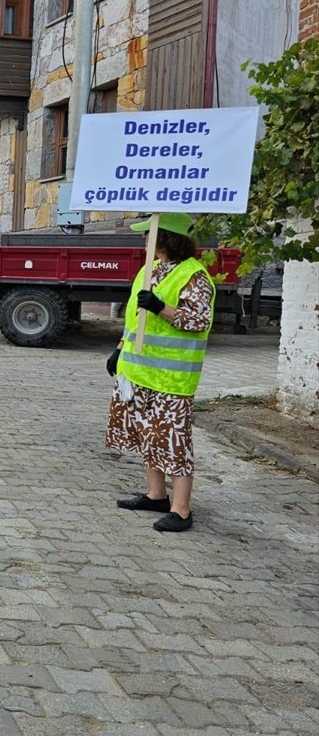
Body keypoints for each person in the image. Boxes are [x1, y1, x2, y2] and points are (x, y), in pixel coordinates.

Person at [106, 212, 215, 533]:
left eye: (149, 234)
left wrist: (160, 307)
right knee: (145, 434)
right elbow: (134, 318)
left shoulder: (193, 275)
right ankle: (156, 495)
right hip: (138, 372)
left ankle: (181, 510)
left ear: (167, 237)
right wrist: (120, 347)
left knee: (173, 440)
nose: (144, 240)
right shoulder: (149, 270)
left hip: (171, 379)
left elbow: (198, 321)